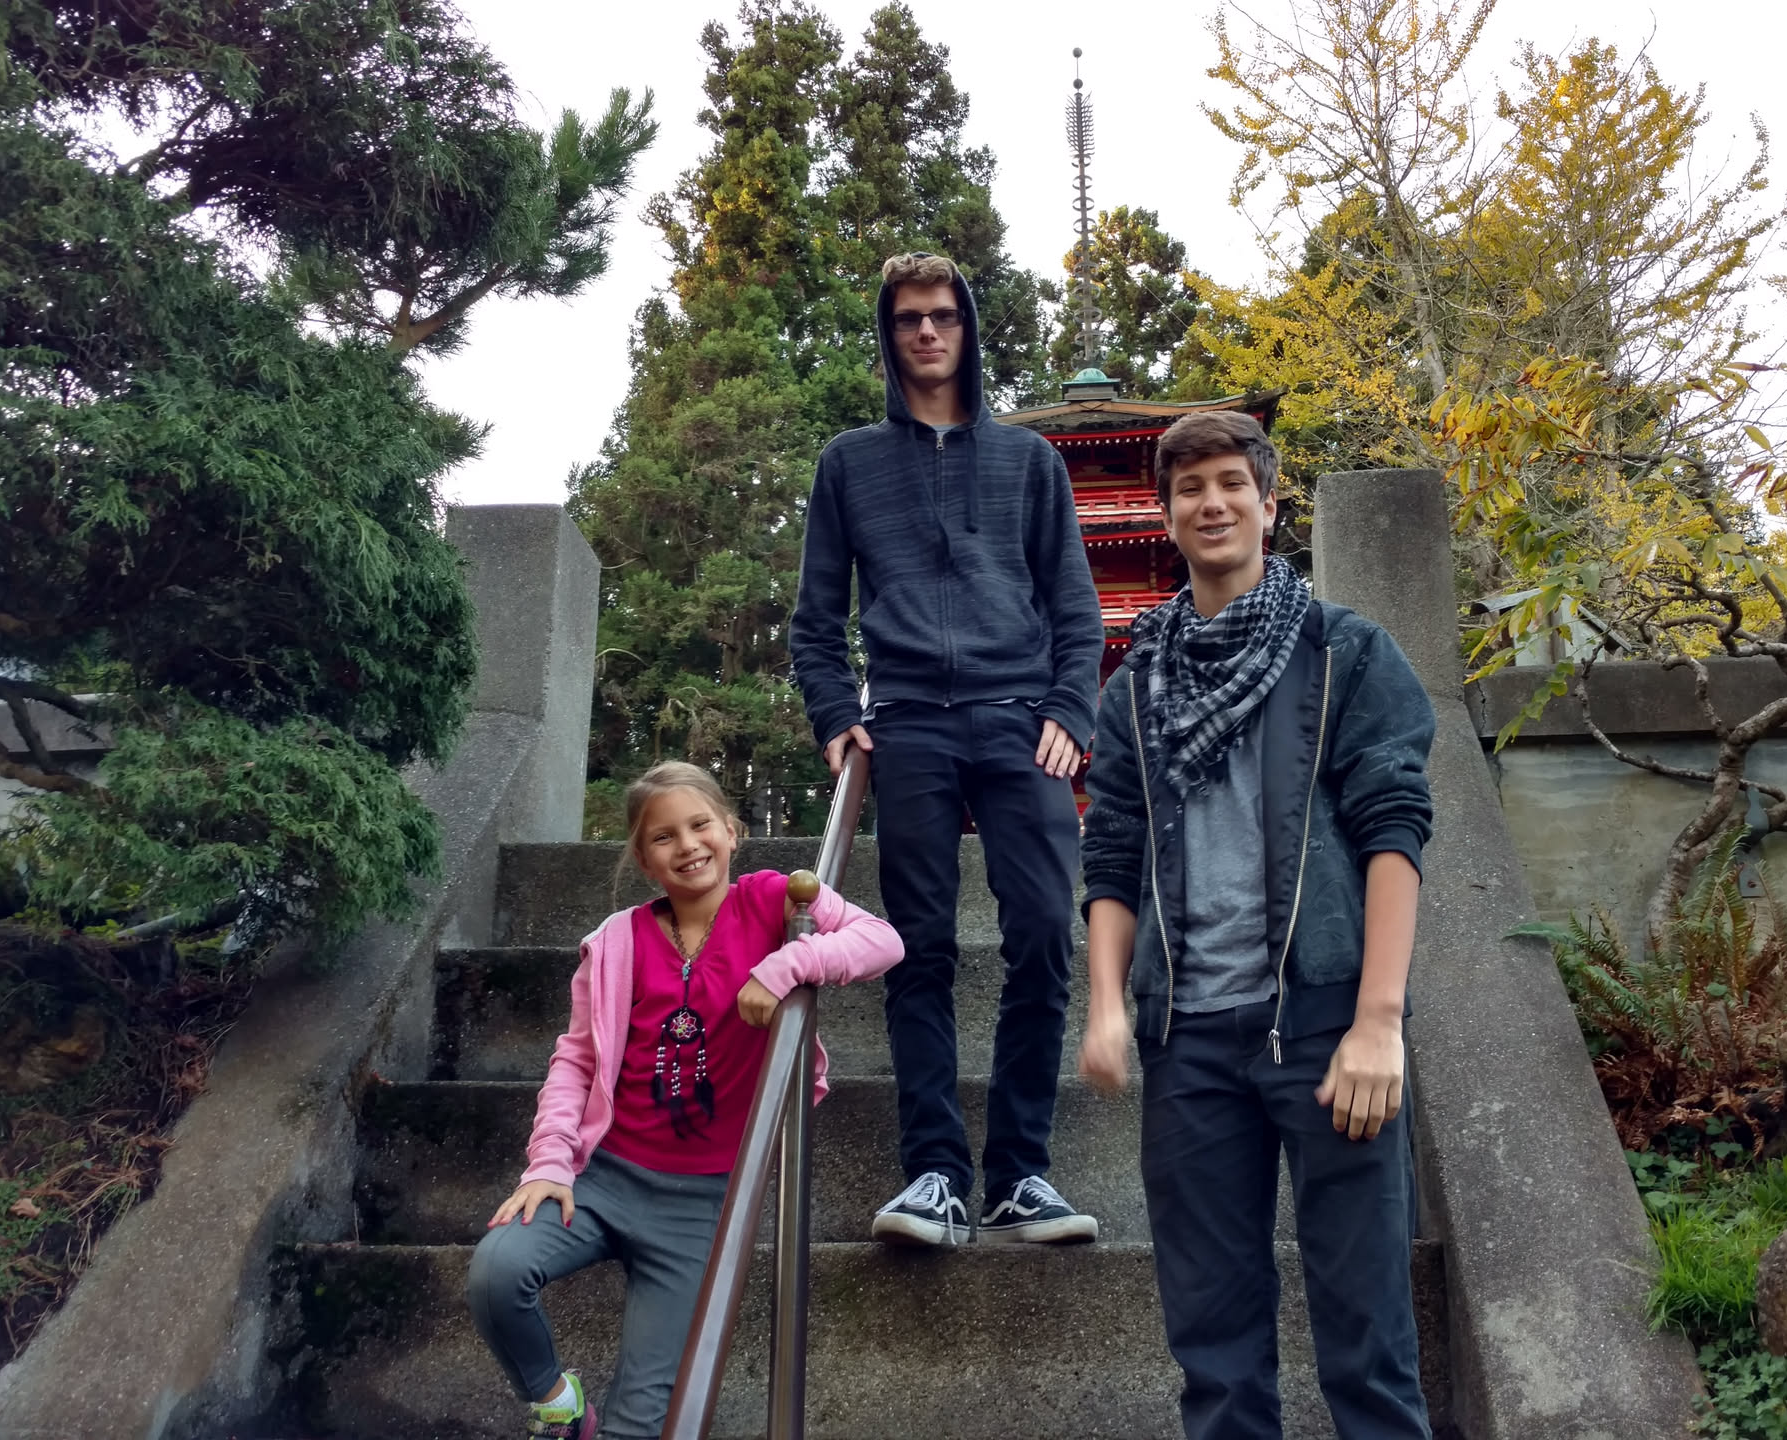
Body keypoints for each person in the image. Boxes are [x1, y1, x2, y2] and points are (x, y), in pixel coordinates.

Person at [1077, 410, 1435, 1438]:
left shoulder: (1343, 652)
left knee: (1368, 1337)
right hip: (1186, 1037)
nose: (1212, 503)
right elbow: (1112, 856)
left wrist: (1379, 1020)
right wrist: (1106, 1004)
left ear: (1269, 507)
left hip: (1323, 1022)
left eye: (1232, 483)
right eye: (1189, 488)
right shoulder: (1135, 687)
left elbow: (1394, 828)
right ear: (1166, 516)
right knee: (1215, 1351)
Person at [790, 250, 1106, 1247]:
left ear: (968, 328)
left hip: (1021, 720)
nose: (926, 331)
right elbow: (814, 620)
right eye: (907, 318)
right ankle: (933, 1170)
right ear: (888, 337)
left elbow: (1075, 607)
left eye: (942, 315)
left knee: (1044, 932)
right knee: (917, 947)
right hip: (910, 722)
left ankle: (1019, 1173)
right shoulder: (848, 463)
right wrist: (834, 712)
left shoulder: (1029, 461)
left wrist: (1072, 711)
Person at [465, 761, 903, 1439]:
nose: (688, 844)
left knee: (644, 1423)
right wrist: (549, 1162)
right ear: (644, 859)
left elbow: (882, 940)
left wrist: (787, 964)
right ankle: (559, 1406)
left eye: (701, 825)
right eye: (663, 836)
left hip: (702, 1202)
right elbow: (576, 1060)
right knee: (497, 1273)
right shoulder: (617, 940)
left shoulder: (774, 902)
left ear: (732, 831)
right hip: (604, 1178)